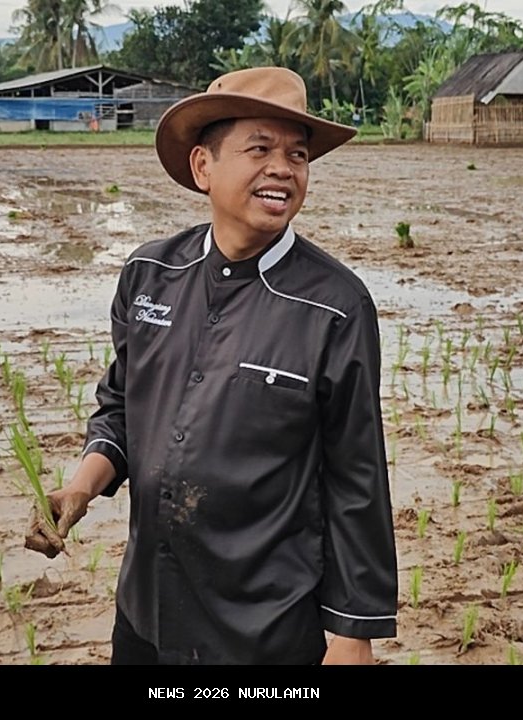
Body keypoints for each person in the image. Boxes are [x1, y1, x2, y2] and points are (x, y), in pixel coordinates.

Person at [25, 66, 398, 665]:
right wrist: (82, 486)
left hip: (262, 629)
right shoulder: (150, 275)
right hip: (147, 612)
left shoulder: (333, 306)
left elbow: (356, 476)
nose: (282, 168)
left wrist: (354, 633)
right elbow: (122, 407)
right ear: (204, 167)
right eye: (260, 148)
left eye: (297, 155)